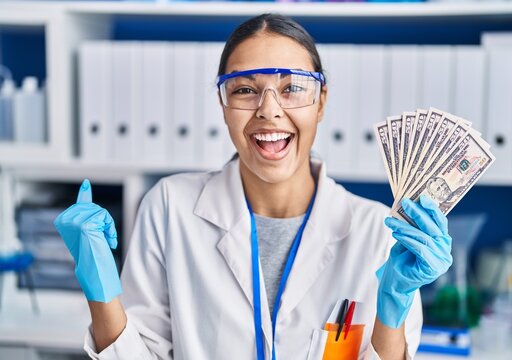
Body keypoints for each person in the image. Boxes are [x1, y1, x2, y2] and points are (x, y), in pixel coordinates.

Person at [54, 14, 452, 360]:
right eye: (244, 89)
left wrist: (392, 308)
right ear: (223, 104)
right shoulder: (169, 206)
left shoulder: (377, 232)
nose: (268, 109)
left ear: (322, 101)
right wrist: (102, 296)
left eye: (293, 87)